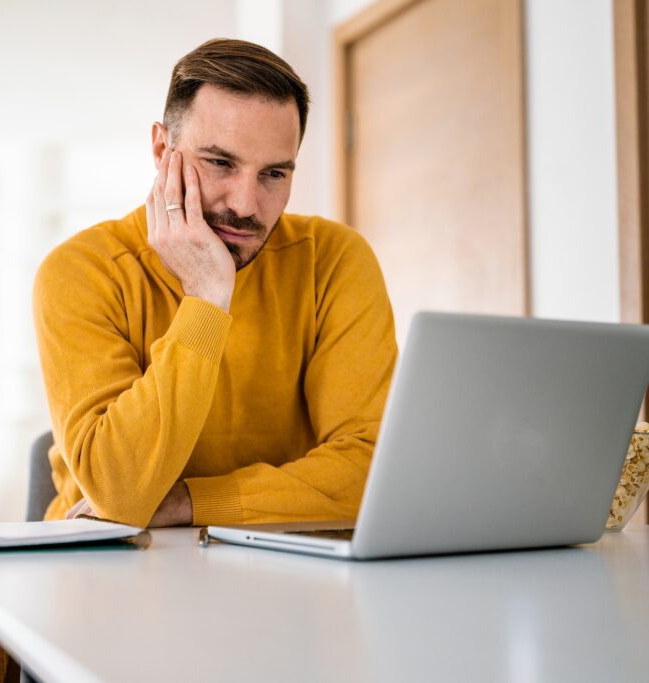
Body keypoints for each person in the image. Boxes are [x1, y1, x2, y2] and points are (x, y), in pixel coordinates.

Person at [33, 38, 398, 528]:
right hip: (103, 563)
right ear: (163, 150)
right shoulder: (81, 271)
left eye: (273, 173)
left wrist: (189, 503)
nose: (246, 204)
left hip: (278, 559)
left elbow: (373, 471)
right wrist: (207, 295)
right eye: (220, 163)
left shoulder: (333, 260)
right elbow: (121, 494)